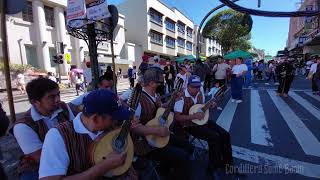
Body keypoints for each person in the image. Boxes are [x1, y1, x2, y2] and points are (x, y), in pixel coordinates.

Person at [39, 89, 137, 179]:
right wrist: (103, 167)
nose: (116, 120)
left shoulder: (112, 125)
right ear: (95, 118)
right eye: (112, 118)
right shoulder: (58, 136)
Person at [131, 67, 192, 180]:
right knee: (182, 157)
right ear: (152, 83)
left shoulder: (155, 95)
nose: (163, 83)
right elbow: (133, 127)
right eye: (161, 81)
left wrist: (173, 101)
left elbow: (159, 109)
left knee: (188, 146)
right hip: (146, 143)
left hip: (160, 134)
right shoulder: (138, 100)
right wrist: (156, 130)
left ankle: (166, 169)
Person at [13, 78, 75, 180]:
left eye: (58, 94)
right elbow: (42, 157)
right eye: (51, 97)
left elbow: (76, 130)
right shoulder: (22, 126)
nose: (57, 99)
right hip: (39, 167)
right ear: (35, 102)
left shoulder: (63, 107)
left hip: (70, 156)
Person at [173, 75, 234, 178]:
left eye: (198, 87)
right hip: (188, 125)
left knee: (225, 134)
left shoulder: (200, 94)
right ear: (188, 86)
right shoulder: (181, 97)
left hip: (201, 121)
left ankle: (228, 163)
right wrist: (193, 116)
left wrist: (211, 106)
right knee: (214, 137)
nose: (196, 89)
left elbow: (201, 109)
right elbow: (177, 117)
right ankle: (212, 167)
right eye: (194, 87)